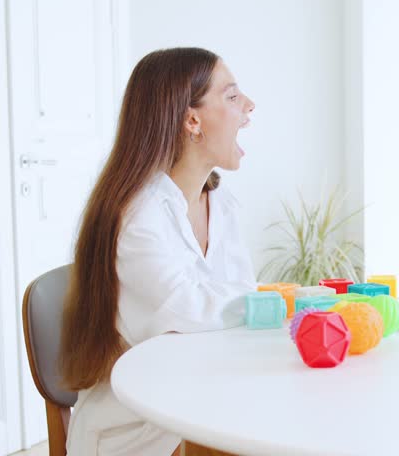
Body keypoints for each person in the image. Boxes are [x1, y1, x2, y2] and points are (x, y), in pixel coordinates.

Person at [60, 47, 257, 455]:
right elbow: (182, 314)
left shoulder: (222, 206)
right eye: (233, 96)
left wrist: (265, 303)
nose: (249, 107)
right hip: (139, 430)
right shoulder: (137, 217)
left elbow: (240, 310)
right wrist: (275, 300)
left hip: (201, 404)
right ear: (192, 120)